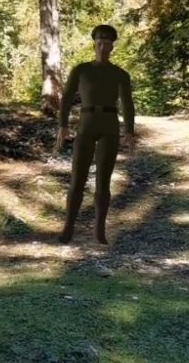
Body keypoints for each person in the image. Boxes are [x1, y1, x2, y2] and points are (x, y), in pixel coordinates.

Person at [56, 25, 136, 245]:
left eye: (107, 43)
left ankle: (99, 230)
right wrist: (63, 125)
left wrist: (129, 131)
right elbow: (67, 97)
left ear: (112, 46)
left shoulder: (120, 74)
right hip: (86, 125)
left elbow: (127, 104)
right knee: (77, 179)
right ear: (94, 44)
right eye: (99, 43)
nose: (102, 47)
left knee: (103, 181)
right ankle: (68, 227)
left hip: (109, 127)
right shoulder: (81, 70)